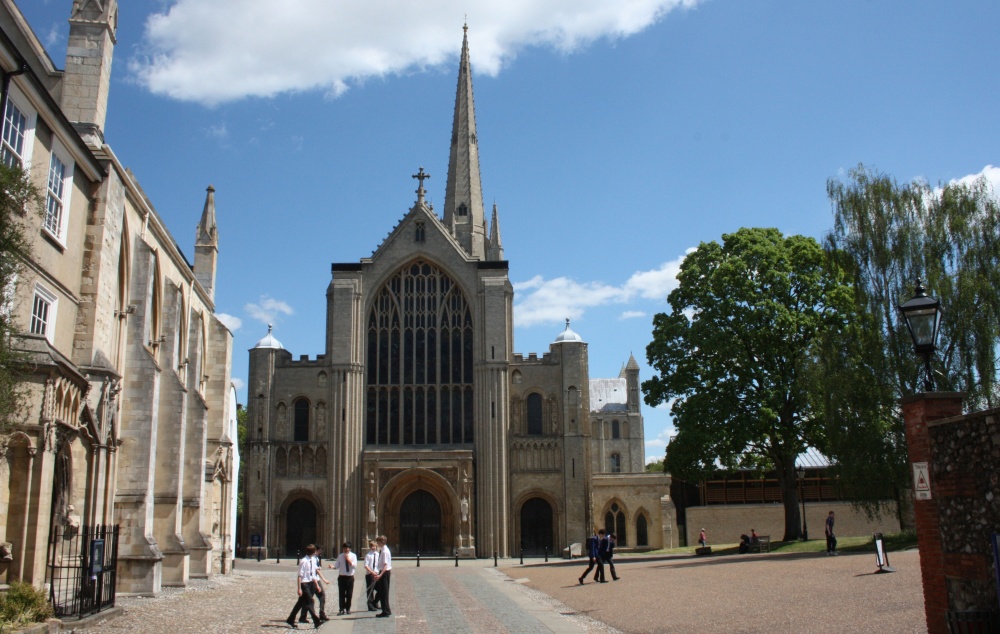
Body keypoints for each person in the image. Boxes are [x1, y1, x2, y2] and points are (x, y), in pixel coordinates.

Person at [286, 544, 322, 629]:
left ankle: (290, 619)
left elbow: (313, 574)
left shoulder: (313, 560)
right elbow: (300, 576)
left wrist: (317, 585)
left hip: (311, 583)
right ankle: (316, 621)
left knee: (300, 603)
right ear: (313, 552)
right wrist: (299, 589)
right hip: (304, 584)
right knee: (310, 601)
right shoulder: (303, 561)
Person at [300, 547, 330, 623]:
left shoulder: (314, 558)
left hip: (315, 580)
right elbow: (314, 571)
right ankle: (305, 617)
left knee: (321, 596)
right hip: (311, 581)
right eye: (319, 550)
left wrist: (323, 579)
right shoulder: (309, 559)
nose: (320, 552)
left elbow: (316, 570)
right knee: (308, 600)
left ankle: (321, 613)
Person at [329, 542, 357, 615]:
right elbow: (337, 565)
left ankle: (348, 609)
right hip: (341, 577)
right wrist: (333, 567)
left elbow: (354, 565)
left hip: (350, 577)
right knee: (341, 594)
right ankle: (341, 609)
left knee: (349, 594)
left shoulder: (353, 556)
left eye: (347, 548)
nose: (345, 549)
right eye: (344, 548)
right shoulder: (340, 556)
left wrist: (347, 559)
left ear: (350, 548)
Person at [373, 535, 392, 617]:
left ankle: (385, 611)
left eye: (378, 542)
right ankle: (387, 609)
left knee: (383, 592)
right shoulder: (384, 550)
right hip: (384, 572)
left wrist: (380, 575)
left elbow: (385, 565)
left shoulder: (384, 551)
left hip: (384, 573)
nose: (377, 544)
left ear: (381, 542)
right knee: (383, 591)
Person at [363, 541, 380, 612]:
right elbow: (366, 565)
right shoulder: (368, 555)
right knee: (370, 591)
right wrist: (372, 572)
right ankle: (370, 606)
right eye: (372, 546)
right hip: (370, 574)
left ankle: (375, 602)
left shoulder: (378, 554)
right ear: (370, 547)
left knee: (380, 589)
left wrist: (378, 573)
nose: (374, 547)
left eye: (375, 546)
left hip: (377, 574)